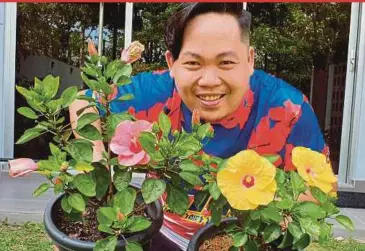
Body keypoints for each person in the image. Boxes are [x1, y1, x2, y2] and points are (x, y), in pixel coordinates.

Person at [70, 3, 335, 250]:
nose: (209, 81)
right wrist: (97, 175)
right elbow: (83, 104)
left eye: (226, 62)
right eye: (193, 63)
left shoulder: (287, 109)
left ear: (250, 60)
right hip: (162, 232)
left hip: (246, 238)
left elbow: (319, 193)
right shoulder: (155, 92)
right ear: (172, 64)